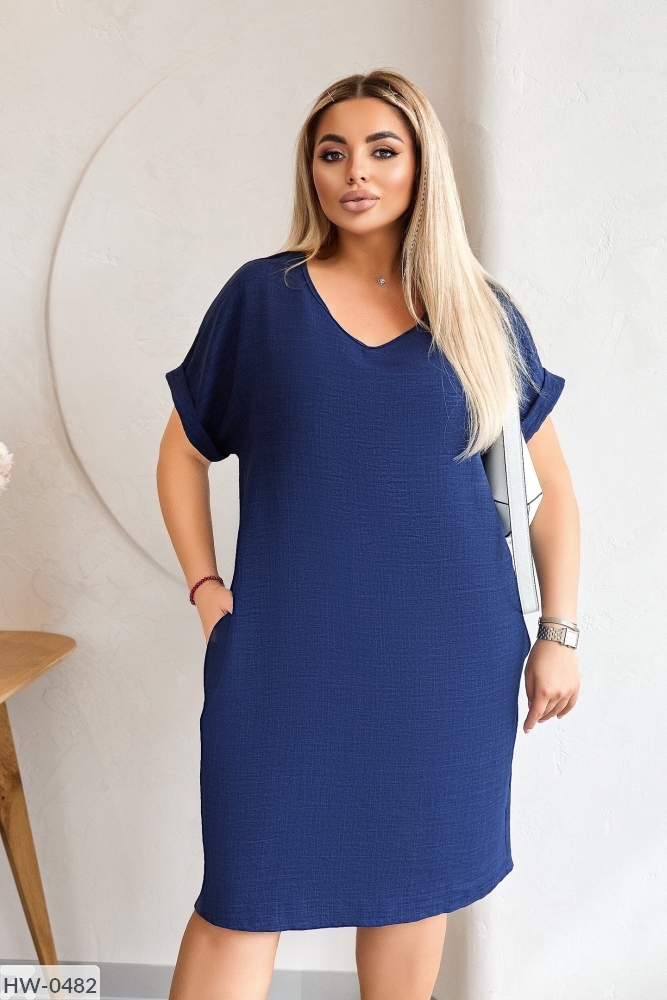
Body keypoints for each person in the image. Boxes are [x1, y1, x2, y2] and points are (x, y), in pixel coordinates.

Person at [156, 69, 581, 1000]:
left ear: (420, 165)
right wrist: (205, 589)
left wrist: (558, 633)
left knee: (412, 893)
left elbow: (552, 493)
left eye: (381, 151)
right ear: (308, 170)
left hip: (448, 663)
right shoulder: (260, 300)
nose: (355, 172)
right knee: (242, 897)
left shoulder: (478, 312)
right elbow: (182, 452)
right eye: (332, 152)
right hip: (284, 655)